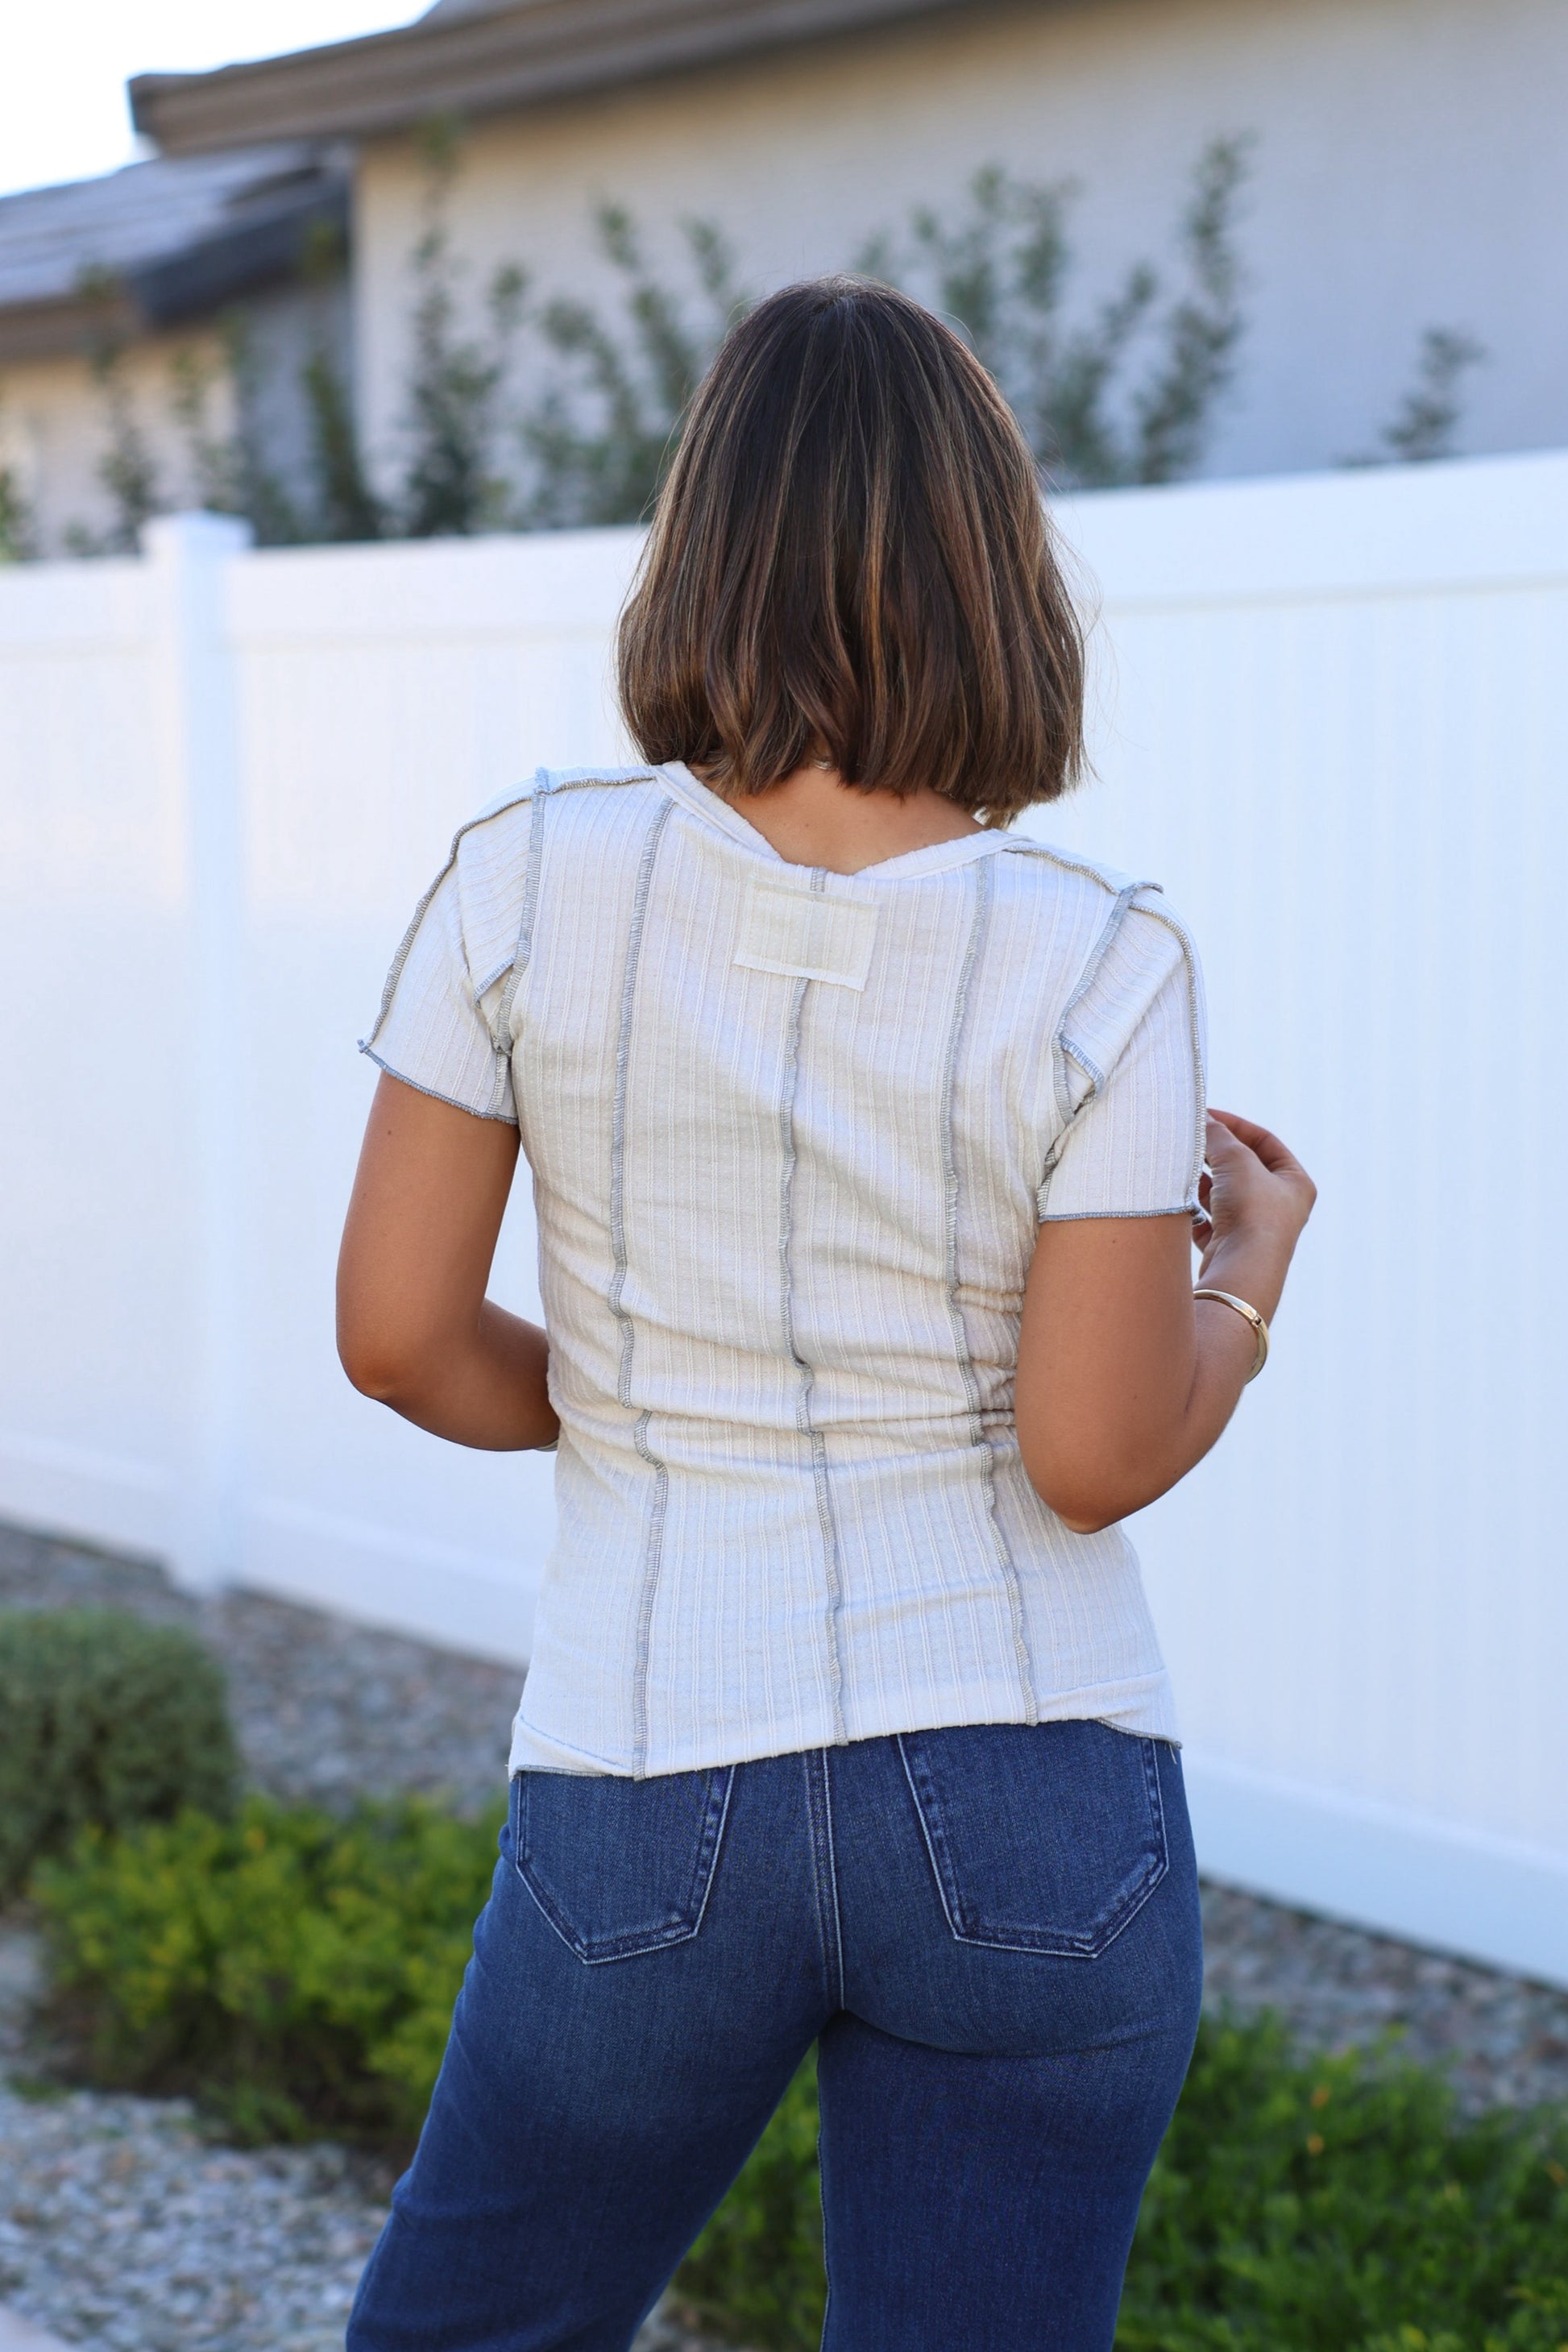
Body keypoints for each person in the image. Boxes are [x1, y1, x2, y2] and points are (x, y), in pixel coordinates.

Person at [337, 276, 1315, 2352]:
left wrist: (627, 1407)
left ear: (701, 549)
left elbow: (402, 1336)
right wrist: (1247, 1286)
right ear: (999, 581)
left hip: (651, 1760)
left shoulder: (520, 881)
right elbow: (1093, 1450)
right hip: (1036, 1785)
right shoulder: (1103, 961)